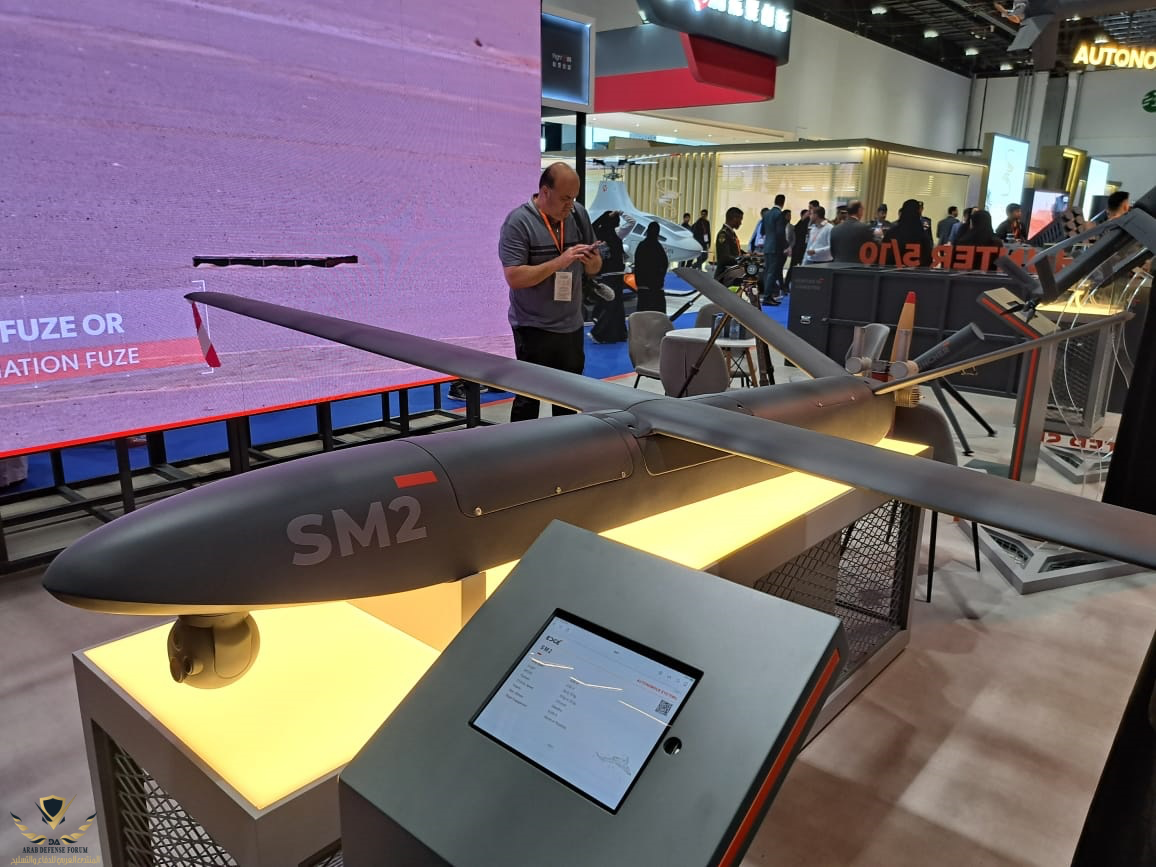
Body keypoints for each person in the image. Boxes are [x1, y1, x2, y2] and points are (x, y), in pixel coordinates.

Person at [497, 161, 601, 422]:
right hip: (533, 327)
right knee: (528, 399)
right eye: (565, 198)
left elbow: (595, 267)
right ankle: (522, 447)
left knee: (569, 400)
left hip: (571, 325)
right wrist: (559, 262)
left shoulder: (578, 215)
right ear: (545, 192)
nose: (570, 205)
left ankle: (565, 446)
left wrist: (592, 262)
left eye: (574, 198)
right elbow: (515, 277)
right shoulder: (518, 222)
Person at [589, 211, 628, 343]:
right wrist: (620, 212)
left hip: (606, 273)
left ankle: (620, 333)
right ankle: (598, 333)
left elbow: (593, 225)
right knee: (613, 304)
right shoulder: (616, 234)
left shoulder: (598, 234)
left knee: (616, 304)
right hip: (616, 274)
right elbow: (632, 222)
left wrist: (604, 216)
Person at [884, 199, 933, 268]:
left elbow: (884, 257)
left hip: (891, 272)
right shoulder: (923, 236)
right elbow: (927, 260)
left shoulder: (891, 233)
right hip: (915, 273)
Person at [633, 222, 669, 313]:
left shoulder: (642, 245)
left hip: (643, 285)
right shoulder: (658, 247)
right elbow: (664, 264)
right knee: (657, 313)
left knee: (643, 312)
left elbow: (637, 263)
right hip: (656, 287)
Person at [761, 194, 786, 302]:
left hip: (767, 246)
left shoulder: (766, 214)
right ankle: (767, 296)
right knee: (772, 272)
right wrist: (784, 246)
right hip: (775, 247)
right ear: (783, 202)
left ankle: (768, 295)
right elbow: (780, 233)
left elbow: (762, 231)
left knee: (767, 272)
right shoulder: (779, 214)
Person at [714, 207, 744, 281]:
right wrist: (741, 258)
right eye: (740, 219)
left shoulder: (730, 233)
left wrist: (748, 254)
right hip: (724, 274)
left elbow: (735, 250)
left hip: (732, 272)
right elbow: (724, 257)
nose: (741, 223)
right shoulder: (723, 234)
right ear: (734, 218)